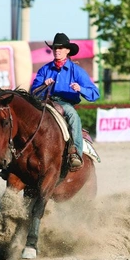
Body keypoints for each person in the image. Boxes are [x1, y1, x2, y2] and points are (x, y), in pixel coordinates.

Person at [31, 32, 100, 170]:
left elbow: (95, 94)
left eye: (61, 48)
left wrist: (80, 88)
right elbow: (33, 92)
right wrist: (43, 85)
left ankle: (75, 153)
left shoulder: (77, 71)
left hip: (65, 104)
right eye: (55, 48)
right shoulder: (45, 69)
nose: (57, 50)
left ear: (68, 50)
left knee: (73, 116)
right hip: (44, 102)